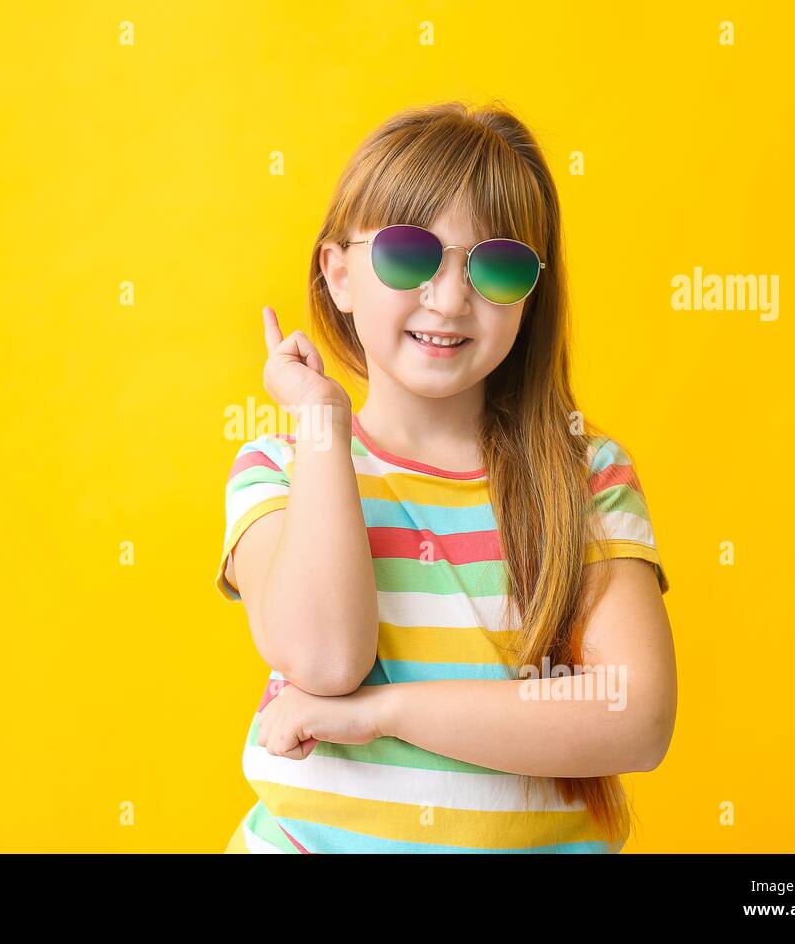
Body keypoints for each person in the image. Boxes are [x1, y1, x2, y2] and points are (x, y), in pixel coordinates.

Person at [215, 100, 676, 854]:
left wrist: (384, 712)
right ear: (337, 272)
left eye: (494, 264)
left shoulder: (585, 477)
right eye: (409, 254)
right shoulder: (281, 469)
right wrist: (323, 420)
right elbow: (326, 658)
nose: (451, 297)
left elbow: (638, 718)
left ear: (531, 290)